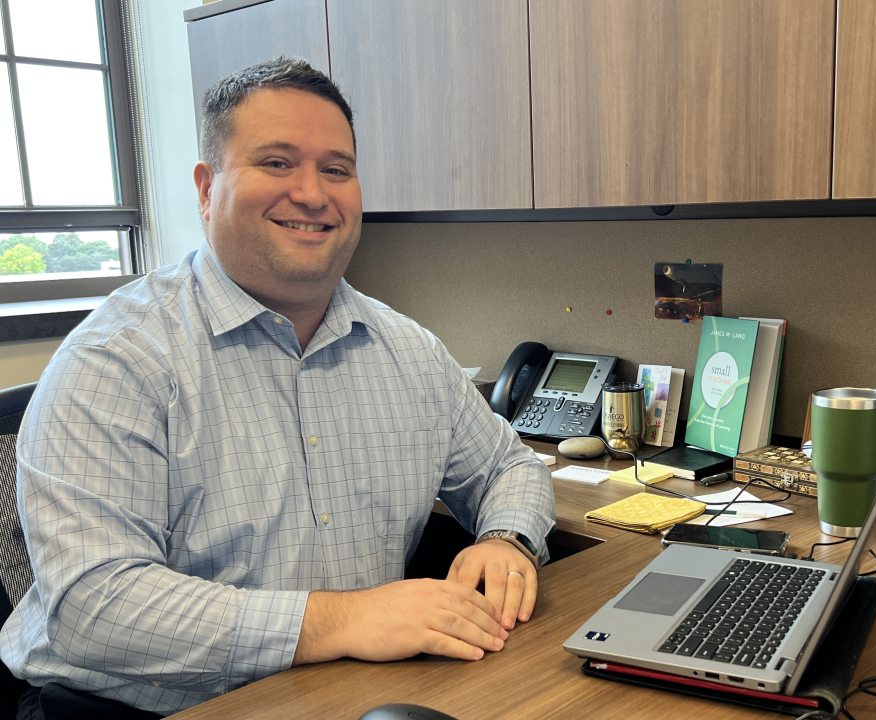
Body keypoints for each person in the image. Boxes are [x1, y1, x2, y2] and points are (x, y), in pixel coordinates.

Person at [0, 57, 555, 716]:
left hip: (345, 694)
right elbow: (93, 608)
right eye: (277, 162)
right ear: (207, 189)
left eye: (336, 170)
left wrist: (507, 540)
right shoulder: (114, 362)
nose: (313, 194)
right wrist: (340, 620)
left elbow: (509, 465)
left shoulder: (409, 352)